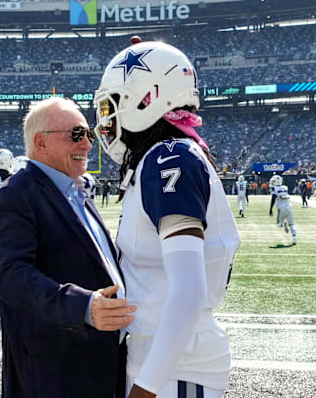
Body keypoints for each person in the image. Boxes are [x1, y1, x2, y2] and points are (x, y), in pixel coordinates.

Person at [93, 40, 241, 398]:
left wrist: (145, 388)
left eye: (112, 104)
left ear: (147, 98)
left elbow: (188, 292)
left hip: (175, 367)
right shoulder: (161, 158)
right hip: (162, 358)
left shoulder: (169, 158)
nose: (105, 119)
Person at [0, 97, 133, 398]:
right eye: (77, 134)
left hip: (100, 360)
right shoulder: (17, 194)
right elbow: (11, 276)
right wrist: (82, 306)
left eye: (89, 135)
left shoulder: (75, 191)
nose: (88, 145)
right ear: (41, 142)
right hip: (56, 371)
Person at [269, 175, 297, 245]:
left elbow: (273, 198)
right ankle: (294, 238)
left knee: (279, 224)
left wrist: (270, 208)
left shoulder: (274, 188)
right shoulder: (285, 187)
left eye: (273, 181)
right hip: (289, 207)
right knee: (292, 224)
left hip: (281, 209)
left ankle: (284, 224)